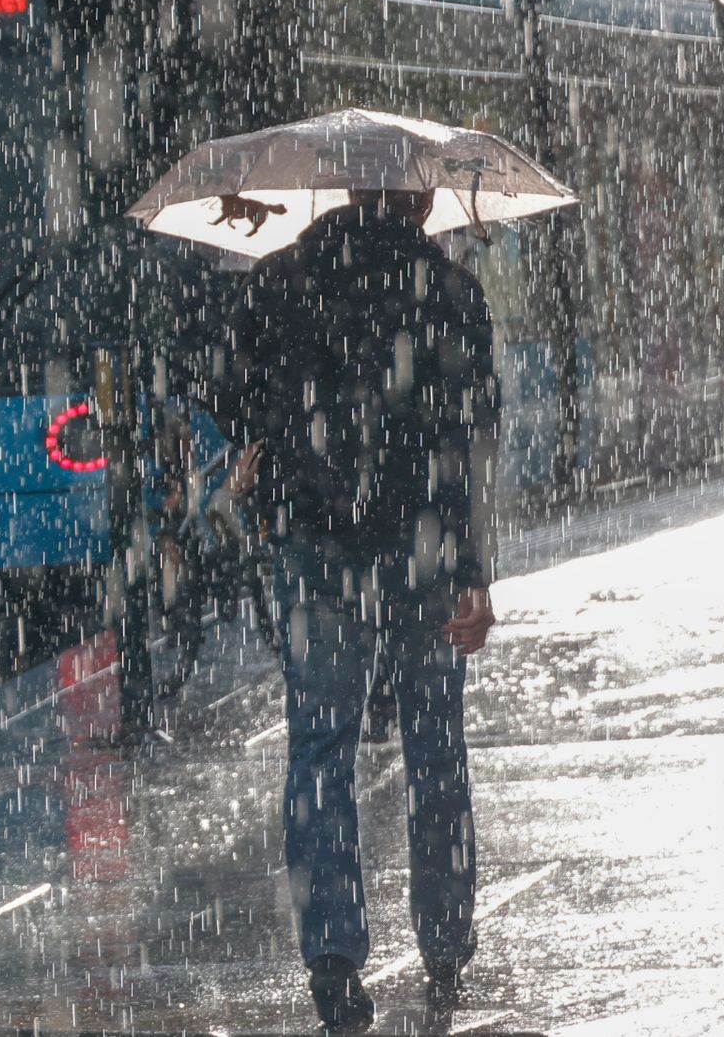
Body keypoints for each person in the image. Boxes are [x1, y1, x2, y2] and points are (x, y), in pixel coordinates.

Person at [216, 188, 498, 1032]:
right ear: (420, 198)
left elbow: (225, 384)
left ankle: (333, 960)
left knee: (320, 750)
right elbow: (469, 435)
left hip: (317, 551)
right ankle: (444, 940)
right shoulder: (449, 289)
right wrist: (473, 572)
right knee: (434, 743)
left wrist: (271, 454)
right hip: (423, 554)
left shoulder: (280, 281)